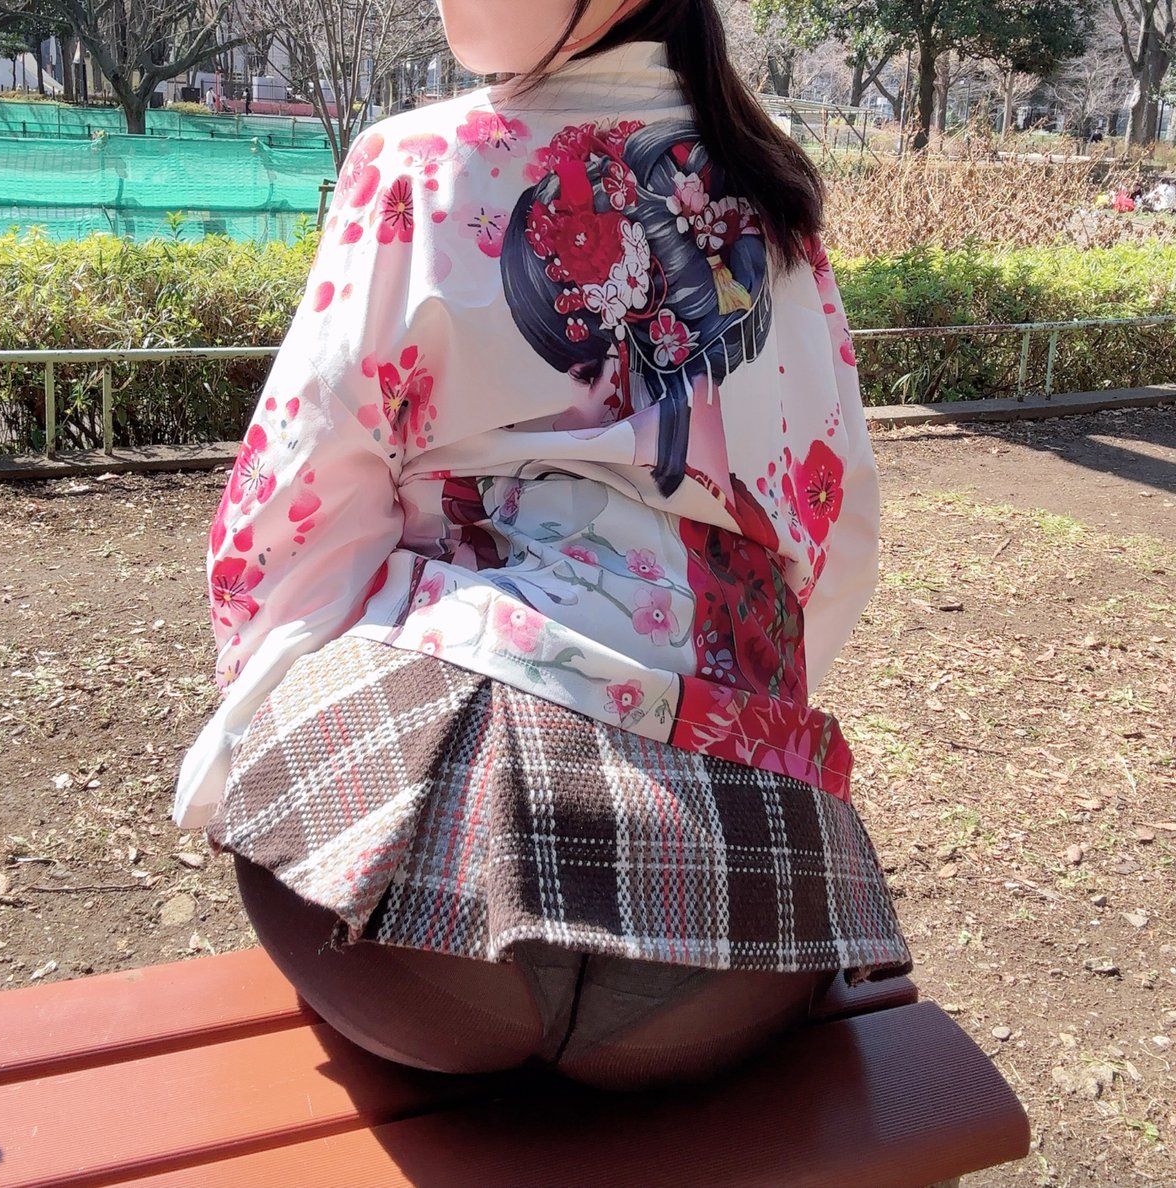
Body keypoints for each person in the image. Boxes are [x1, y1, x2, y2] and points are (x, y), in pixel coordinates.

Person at [176, 0, 910, 1091]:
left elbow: (293, 511)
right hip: (731, 929)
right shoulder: (770, 197)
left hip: (420, 923)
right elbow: (834, 532)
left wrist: (266, 731)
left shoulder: (418, 164)